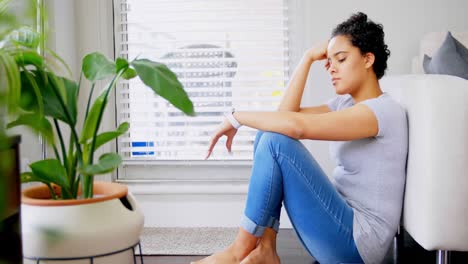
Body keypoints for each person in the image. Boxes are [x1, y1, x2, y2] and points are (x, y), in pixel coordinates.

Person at [192, 12, 408, 264]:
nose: (332, 69)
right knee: (269, 133)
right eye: (329, 61)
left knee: (276, 142)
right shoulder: (345, 104)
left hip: (357, 245)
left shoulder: (381, 111)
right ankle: (265, 250)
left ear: (368, 59)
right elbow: (284, 117)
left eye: (341, 59)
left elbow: (296, 127)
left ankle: (240, 249)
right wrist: (306, 59)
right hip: (340, 224)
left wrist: (235, 117)